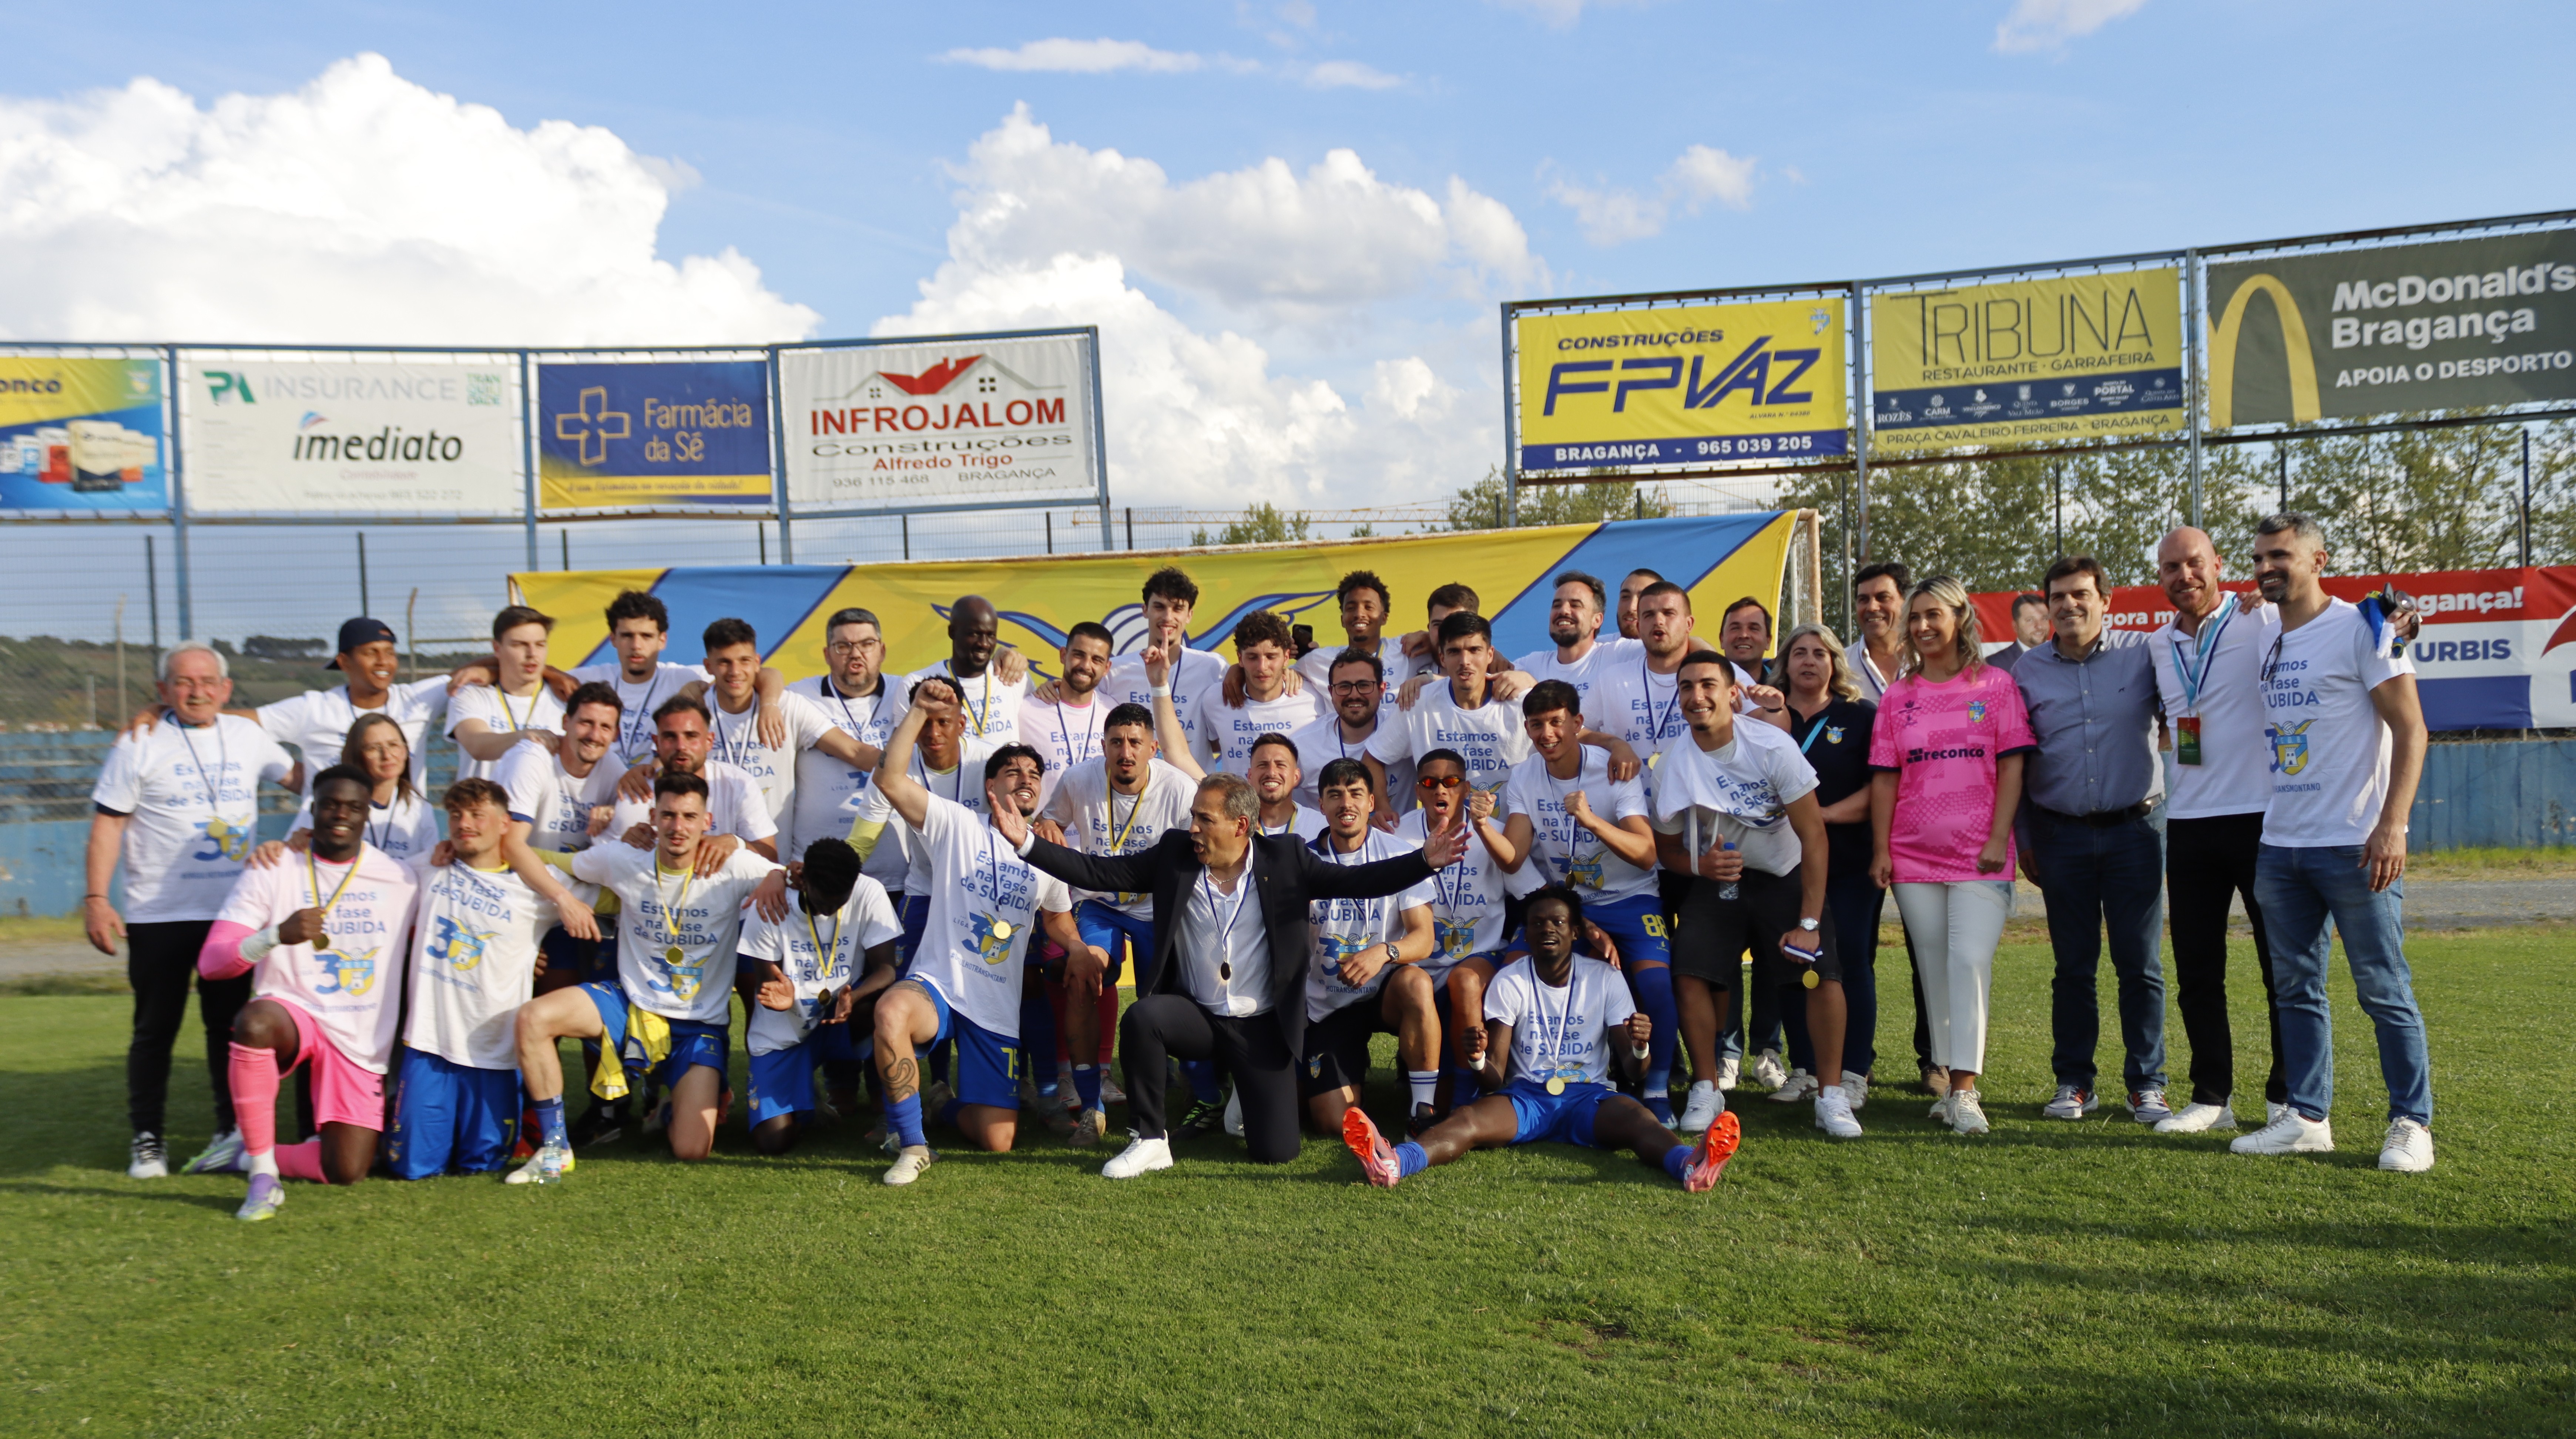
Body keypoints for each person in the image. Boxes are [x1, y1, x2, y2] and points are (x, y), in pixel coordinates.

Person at [993, 762, 1467, 1178]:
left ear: (1241, 825)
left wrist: (1424, 860)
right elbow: (1099, 872)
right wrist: (1029, 842)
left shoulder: (1287, 860)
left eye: (1205, 818)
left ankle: (1243, 1097)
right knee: (1144, 1017)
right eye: (1193, 816)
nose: (1193, 827)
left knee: (1277, 1151)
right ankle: (1150, 1139)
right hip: (1197, 1016)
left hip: (1261, 1026)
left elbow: (1359, 881)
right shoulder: (1175, 854)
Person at [2230, 513, 2435, 1173]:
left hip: (2356, 843)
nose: (2269, 566)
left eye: (2282, 555)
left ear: (2320, 558)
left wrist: (2393, 824)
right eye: (2261, 556)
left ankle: (2411, 1122)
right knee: (2294, 989)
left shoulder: (2365, 627)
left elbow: (2412, 729)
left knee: (2382, 988)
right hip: (2281, 845)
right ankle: (2308, 1118)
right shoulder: (2269, 636)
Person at [1340, 886, 1740, 1192]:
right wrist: (1478, 1058)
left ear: (1576, 932)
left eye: (1558, 922)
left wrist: (1640, 1045)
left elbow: (1635, 1070)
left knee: (1640, 1121)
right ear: (1526, 934)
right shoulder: (1511, 979)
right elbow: (1494, 1078)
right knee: (1467, 1121)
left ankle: (1690, 1163)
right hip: (1527, 1096)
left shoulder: (1604, 977)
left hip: (1588, 1095)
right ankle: (1394, 1162)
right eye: (1537, 923)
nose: (1547, 929)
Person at [86, 640, 300, 1179]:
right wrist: (96, 898)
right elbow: (109, 824)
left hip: (232, 914)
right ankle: (147, 1141)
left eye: (208, 681)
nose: (197, 690)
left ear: (227, 689)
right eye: (183, 682)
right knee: (154, 1028)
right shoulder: (139, 742)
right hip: (159, 913)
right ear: (163, 691)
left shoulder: (249, 736)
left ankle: (232, 1133)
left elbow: (304, 780)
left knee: (229, 1029)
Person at [511, 772, 781, 1181]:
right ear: (653, 816)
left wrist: (771, 870)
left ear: (707, 821)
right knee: (533, 1018)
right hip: (631, 1005)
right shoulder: (622, 858)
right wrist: (549, 888)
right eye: (669, 815)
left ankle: (672, 1105)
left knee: (692, 1150)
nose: (678, 826)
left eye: (689, 816)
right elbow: (546, 859)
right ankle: (554, 1147)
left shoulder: (735, 865)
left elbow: (791, 876)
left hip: (698, 1026)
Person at [864, 694, 1083, 1184]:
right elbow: (890, 779)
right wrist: (919, 712)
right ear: (990, 787)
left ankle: (941, 1103)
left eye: (1033, 772)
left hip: (994, 1002)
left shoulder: (1047, 853)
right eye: (1012, 771)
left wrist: (1078, 948)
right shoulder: (956, 823)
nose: (1025, 776)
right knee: (891, 1010)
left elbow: (1058, 920)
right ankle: (913, 1144)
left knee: (998, 1139)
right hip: (939, 985)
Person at [195, 765, 423, 1221]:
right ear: (313, 809)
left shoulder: (402, 878)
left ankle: (243, 1151)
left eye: (354, 807)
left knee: (346, 1169)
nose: (341, 814)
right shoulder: (273, 867)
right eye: (331, 804)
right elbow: (212, 961)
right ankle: (263, 1176)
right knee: (255, 1021)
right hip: (294, 1014)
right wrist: (275, 935)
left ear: (366, 814)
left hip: (359, 1036)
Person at [1651, 651, 1859, 1139]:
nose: (1696, 696)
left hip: (1785, 873)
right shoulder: (1671, 764)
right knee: (1689, 972)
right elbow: (1665, 850)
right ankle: (1707, 1086)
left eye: (1707, 685)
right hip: (1722, 879)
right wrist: (1701, 864)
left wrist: (1809, 922)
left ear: (1732, 693)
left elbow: (1815, 835)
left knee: (1821, 975)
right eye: (1686, 687)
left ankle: (1832, 1096)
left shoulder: (1772, 746)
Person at [1869, 576, 2033, 1136]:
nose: (1921, 626)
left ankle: (1965, 1088)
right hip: (1912, 857)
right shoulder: (1898, 694)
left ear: (1961, 617)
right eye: (1914, 617)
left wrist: (1997, 838)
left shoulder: (1997, 684)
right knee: (1935, 968)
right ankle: (1947, 1081)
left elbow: (2013, 766)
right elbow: (1887, 779)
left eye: (1932, 615)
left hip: (1980, 856)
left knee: (1968, 961)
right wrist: (1883, 849)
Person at [2012, 555, 2170, 1125]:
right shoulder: (2025, 672)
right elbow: (2018, 760)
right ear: (2046, 605)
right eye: (2058, 596)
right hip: (2060, 836)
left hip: (2137, 831)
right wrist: (2026, 836)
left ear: (2107, 599)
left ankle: (2147, 1082)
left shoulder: (2146, 652)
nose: (2069, 604)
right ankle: (2075, 1081)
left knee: (2141, 965)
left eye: (2081, 594)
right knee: (2073, 967)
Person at [383, 779, 599, 1179]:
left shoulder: (536, 885)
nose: (465, 823)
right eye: (456, 814)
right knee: (411, 1166)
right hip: (431, 1044)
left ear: (505, 823)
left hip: (495, 1053)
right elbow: (367, 872)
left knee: (482, 1162)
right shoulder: (429, 867)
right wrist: (299, 841)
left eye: (477, 814)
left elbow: (616, 887)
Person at [2149, 526, 2287, 1135]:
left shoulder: (2263, 620)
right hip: (2188, 824)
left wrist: (2401, 619)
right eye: (2172, 567)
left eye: (2195, 563)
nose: (2185, 576)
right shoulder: (2156, 644)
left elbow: (2340, 624)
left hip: (2263, 819)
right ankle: (2212, 1095)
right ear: (2161, 578)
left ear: (2219, 565)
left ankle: (2289, 1095)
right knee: (2197, 968)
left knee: (2280, 965)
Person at [1494, 679, 1680, 1124]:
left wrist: (1592, 820)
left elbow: (1646, 853)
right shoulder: (1523, 775)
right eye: (1536, 724)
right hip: (1569, 905)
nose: (1547, 734)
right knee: (1514, 967)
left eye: (1557, 722)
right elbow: (1515, 854)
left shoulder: (1614, 769)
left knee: (1654, 985)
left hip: (1631, 897)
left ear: (1578, 723)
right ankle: (1514, 1080)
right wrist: (1484, 826)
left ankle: (1656, 1088)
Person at [1043, 702, 1202, 1134]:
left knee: (1176, 992)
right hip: (1101, 904)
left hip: (1156, 906)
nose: (1125, 752)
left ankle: (1199, 1088)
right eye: (1116, 742)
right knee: (1082, 974)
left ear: (1154, 747)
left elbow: (1202, 844)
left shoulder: (1179, 787)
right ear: (1104, 746)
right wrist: (1049, 827)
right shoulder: (1078, 778)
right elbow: (1048, 821)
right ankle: (1090, 1104)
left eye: (1135, 742)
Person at [1297, 757, 1441, 1137]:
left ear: (1372, 802)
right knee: (1331, 1121)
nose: (1347, 803)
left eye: (1356, 793)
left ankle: (1421, 1108)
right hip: (1328, 1004)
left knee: (1417, 983)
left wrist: (1384, 952)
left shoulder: (1400, 853)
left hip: (1384, 993)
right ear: (1322, 805)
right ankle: (1349, 1061)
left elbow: (1424, 938)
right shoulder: (1303, 861)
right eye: (1335, 795)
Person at [737, 837, 903, 1156]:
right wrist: (786, 999)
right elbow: (765, 986)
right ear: (804, 879)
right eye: (821, 900)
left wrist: (855, 996)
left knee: (886, 1008)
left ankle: (892, 1112)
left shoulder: (868, 891)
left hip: (844, 1018)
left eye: (838, 901)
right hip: (786, 1026)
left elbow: (886, 971)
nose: (828, 909)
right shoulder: (773, 901)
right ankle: (807, 1100)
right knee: (773, 1142)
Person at [1777, 623, 1880, 1117]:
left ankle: (1855, 1071)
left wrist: (1821, 817)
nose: (1810, 660)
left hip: (1848, 863)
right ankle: (1805, 1067)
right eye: (1799, 652)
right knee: (1796, 962)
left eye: (1820, 652)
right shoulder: (1768, 718)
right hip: (1784, 865)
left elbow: (1879, 789)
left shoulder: (1860, 716)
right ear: (1786, 663)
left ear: (1836, 662)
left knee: (1849, 964)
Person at [847, 677, 999, 959]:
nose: (933, 732)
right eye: (924, 721)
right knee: (906, 984)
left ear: (962, 724)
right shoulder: (893, 772)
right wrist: (827, 876)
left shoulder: (990, 761)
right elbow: (861, 842)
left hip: (984, 893)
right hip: (925, 891)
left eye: (943, 722)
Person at [1395, 748, 1511, 1118]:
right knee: (1417, 983)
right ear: (1418, 789)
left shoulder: (1494, 831)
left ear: (1466, 788)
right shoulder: (1400, 832)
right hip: (1422, 960)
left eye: (1451, 782)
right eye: (1430, 783)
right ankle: (1423, 1094)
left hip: (1479, 957)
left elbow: (1530, 885)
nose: (1440, 789)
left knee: (1464, 979)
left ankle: (1467, 1097)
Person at [1366, 611, 1535, 824]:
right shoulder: (1418, 702)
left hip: (1513, 839)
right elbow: (1373, 757)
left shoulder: (1522, 702)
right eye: (1455, 652)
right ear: (1443, 658)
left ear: (1490, 655)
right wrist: (1382, 807)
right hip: (1443, 839)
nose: (1465, 661)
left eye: (1475, 650)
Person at [258, 618, 453, 795]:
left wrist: (482, 671)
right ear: (344, 662)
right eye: (371, 653)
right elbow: (235, 724)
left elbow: (472, 676)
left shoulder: (418, 699)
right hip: (332, 832)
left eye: (390, 653)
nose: (383, 662)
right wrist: (285, 771)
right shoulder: (315, 708)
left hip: (407, 832)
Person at [695, 617, 850, 826]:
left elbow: (854, 751)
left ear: (757, 662)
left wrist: (902, 765)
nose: (735, 672)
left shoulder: (786, 706)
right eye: (724, 662)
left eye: (744, 661)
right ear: (708, 666)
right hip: (708, 849)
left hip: (772, 854)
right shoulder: (693, 713)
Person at [606, 696, 779, 865]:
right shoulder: (638, 791)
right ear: (657, 743)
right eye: (670, 737)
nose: (681, 746)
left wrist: (735, 843)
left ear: (709, 741)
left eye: (691, 736)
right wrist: (624, 846)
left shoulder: (737, 783)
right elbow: (611, 867)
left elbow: (770, 858)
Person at [789, 608, 902, 862]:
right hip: (820, 869)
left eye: (867, 644)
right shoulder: (800, 696)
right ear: (827, 655)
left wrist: (1006, 658)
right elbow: (760, 680)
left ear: (882, 651)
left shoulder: (905, 691)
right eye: (843, 646)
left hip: (900, 869)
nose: (856, 654)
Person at [567, 590, 726, 769]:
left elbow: (749, 676)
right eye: (627, 636)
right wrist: (554, 675)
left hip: (654, 788)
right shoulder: (589, 679)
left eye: (646, 636)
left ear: (663, 640)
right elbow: (536, 673)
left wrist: (766, 699)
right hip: (602, 787)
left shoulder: (684, 679)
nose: (636, 646)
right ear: (613, 639)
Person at [1087, 566, 1229, 760]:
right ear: (1145, 610)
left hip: (1195, 786)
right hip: (1136, 787)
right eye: (1159, 607)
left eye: (1178, 608)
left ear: (1189, 615)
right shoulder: (1115, 672)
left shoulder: (1213, 667)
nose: (1168, 617)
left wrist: (1285, 675)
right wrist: (1053, 689)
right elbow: (1079, 705)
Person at [271, 713, 440, 863]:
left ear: (405, 751)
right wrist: (293, 842)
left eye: (394, 745)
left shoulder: (420, 808)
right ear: (357, 755)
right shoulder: (326, 802)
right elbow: (291, 850)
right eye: (374, 748)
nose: (387, 756)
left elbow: (430, 862)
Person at [1188, 611, 1322, 775]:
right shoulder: (1216, 698)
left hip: (1296, 802)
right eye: (1253, 657)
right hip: (1238, 801)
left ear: (1286, 657)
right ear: (1240, 658)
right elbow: (1212, 743)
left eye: (1271, 657)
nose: (1262, 667)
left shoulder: (1313, 697)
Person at [446, 606, 566, 782]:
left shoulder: (564, 698)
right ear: (497, 648)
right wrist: (525, 737)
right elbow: (477, 745)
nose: (532, 654)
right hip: (483, 807)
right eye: (520, 645)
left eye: (540, 645)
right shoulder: (472, 694)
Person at [900, 594, 1032, 747]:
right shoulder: (916, 684)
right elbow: (904, 750)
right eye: (974, 634)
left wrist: (1049, 689)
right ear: (952, 632)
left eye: (991, 635)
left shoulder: (1016, 677)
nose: (984, 644)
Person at [1287, 646, 1406, 811]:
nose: (1354, 695)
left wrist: (1426, 678)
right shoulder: (1303, 746)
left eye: (1364, 685)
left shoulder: (1405, 728)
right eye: (1344, 686)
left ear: (1382, 690)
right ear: (1331, 692)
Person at [1017, 621, 1116, 807]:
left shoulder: (1114, 713)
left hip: (1099, 834)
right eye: (1079, 655)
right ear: (1064, 655)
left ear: (1107, 668)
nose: (1086, 666)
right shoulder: (1027, 710)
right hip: (1043, 833)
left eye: (1097, 660)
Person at [1294, 571, 1412, 721]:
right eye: (1351, 608)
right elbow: (1276, 676)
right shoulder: (1317, 661)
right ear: (1343, 620)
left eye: (1369, 607)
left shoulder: (1407, 649)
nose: (1359, 614)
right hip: (1344, 743)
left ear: (1384, 617)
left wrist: (1427, 639)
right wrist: (1291, 672)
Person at [1845, 562, 1910, 705]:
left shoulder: (1928, 661)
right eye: (1863, 600)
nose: (1872, 607)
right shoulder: (1840, 666)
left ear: (1906, 602)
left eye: (1883, 598)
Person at [1989, 594, 2050, 674]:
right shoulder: (1995, 665)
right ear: (2015, 626)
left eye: (2044, 619)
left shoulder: (2064, 658)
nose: (2039, 626)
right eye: (2030, 620)